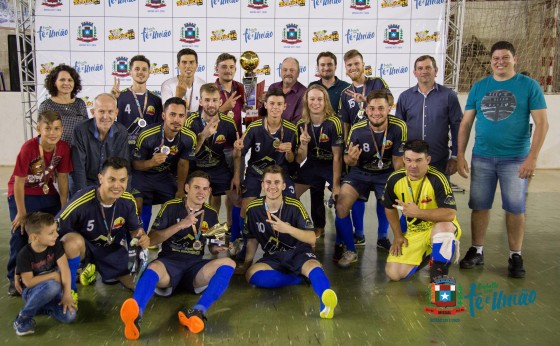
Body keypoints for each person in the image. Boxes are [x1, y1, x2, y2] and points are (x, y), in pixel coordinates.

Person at [457, 41, 549, 278]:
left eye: (505, 57)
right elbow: (466, 123)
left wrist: (532, 158)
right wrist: (460, 155)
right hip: (483, 157)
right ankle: (477, 250)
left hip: (516, 159)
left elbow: (542, 124)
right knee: (479, 206)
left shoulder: (529, 86)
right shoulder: (479, 87)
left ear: (514, 59)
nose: (500, 62)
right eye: (496, 58)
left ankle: (515, 255)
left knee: (515, 208)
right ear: (491, 61)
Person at [119, 171, 235, 340]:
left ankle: (198, 311)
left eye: (205, 188)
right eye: (196, 187)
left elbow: (211, 247)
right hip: (169, 264)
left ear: (209, 191)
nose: (201, 192)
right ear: (187, 188)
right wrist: (181, 225)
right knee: (153, 267)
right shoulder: (170, 206)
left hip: (194, 269)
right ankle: (136, 314)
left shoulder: (210, 213)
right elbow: (151, 240)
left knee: (228, 263)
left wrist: (218, 247)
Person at [239, 165, 338, 319]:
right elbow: (252, 239)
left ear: (284, 185)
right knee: (251, 275)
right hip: (273, 255)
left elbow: (311, 238)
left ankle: (325, 303)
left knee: (313, 266)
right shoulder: (253, 209)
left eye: (277, 182)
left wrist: (288, 229)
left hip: (298, 251)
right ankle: (297, 279)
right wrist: (246, 263)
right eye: (268, 182)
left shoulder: (295, 205)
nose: (272, 187)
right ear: (262, 185)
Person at [57, 157, 150, 301]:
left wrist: (142, 236)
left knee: (139, 285)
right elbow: (54, 228)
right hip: (84, 249)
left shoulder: (128, 200)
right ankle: (71, 288)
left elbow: (135, 230)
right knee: (71, 242)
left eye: (122, 180)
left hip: (110, 250)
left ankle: (92, 270)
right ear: (101, 178)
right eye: (111, 179)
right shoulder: (82, 200)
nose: (117, 185)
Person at [334, 90, 406, 267]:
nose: (376, 112)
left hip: (387, 172)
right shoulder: (358, 129)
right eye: (372, 108)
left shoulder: (399, 127)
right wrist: (350, 159)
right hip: (360, 172)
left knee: (403, 202)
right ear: (366, 110)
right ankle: (351, 249)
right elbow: (347, 159)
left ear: (389, 108)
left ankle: (394, 241)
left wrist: (400, 187)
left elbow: (398, 160)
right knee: (341, 204)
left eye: (381, 108)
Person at [6, 111, 72, 296]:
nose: (53, 133)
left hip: (45, 190)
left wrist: (64, 205)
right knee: (20, 231)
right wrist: (21, 212)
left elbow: (63, 178)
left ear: (62, 130)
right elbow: (18, 181)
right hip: (22, 192)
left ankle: (49, 268)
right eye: (48, 128)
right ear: (39, 129)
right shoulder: (29, 148)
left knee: (55, 227)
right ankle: (14, 276)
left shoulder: (64, 148)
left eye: (57, 128)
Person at [231, 88, 298, 258]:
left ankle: (287, 244)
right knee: (246, 206)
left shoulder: (291, 129)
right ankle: (242, 244)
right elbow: (239, 154)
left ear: (285, 106)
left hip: (279, 175)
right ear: (265, 105)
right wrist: (237, 170)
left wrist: (289, 152)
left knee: (291, 206)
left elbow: (292, 161)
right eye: (272, 103)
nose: (275, 107)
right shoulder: (254, 127)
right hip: (256, 173)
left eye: (279, 104)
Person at [384, 140, 461, 282]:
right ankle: (430, 254)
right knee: (393, 273)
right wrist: (398, 235)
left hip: (439, 226)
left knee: (444, 228)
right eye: (408, 160)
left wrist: (417, 213)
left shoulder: (438, 179)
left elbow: (450, 214)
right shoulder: (395, 179)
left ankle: (438, 276)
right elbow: (389, 208)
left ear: (428, 160)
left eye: (418, 160)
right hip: (415, 232)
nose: (413, 165)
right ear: (403, 160)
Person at [339, 49, 394, 251]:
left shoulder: (376, 82)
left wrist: (368, 100)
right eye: (349, 65)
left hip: (382, 144)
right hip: (358, 145)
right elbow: (345, 122)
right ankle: (359, 234)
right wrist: (347, 147)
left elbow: (391, 101)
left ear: (363, 65)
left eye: (356, 63)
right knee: (358, 194)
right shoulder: (345, 94)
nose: (353, 68)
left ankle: (382, 236)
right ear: (346, 69)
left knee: (384, 195)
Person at [131, 97, 196, 226]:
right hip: (142, 175)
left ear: (185, 118)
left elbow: (183, 164)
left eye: (181, 116)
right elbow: (135, 165)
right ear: (163, 115)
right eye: (172, 114)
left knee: (178, 202)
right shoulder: (147, 134)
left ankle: (167, 239)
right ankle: (136, 241)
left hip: (164, 176)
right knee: (136, 206)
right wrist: (151, 162)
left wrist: (180, 189)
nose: (176, 120)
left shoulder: (189, 137)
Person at [395, 55, 462, 176]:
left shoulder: (449, 96)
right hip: (411, 162)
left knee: (441, 195)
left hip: (439, 160)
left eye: (428, 67)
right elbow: (398, 130)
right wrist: (400, 155)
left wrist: (456, 156)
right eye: (420, 68)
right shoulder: (405, 97)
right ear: (415, 73)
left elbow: (457, 128)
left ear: (435, 71)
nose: (424, 71)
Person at [185, 83, 239, 230]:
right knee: (193, 199)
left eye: (215, 100)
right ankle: (193, 229)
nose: (211, 104)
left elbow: (236, 154)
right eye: (207, 100)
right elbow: (189, 153)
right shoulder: (190, 122)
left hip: (218, 166)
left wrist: (236, 176)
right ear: (201, 102)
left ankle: (233, 235)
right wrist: (203, 135)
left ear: (220, 102)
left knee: (237, 199)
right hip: (196, 167)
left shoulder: (228, 123)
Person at [307, 52, 350, 238]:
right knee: (315, 191)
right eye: (322, 65)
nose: (326, 68)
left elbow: (349, 117)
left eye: (329, 64)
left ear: (335, 66)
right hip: (317, 147)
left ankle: (346, 235)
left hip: (337, 143)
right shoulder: (312, 87)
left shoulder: (346, 88)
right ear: (318, 67)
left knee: (340, 193)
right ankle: (319, 226)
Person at [13, 212, 76, 336]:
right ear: (34, 237)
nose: (57, 235)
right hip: (32, 292)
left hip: (54, 294)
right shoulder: (24, 254)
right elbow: (29, 282)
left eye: (56, 230)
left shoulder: (55, 245)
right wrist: (52, 276)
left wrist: (67, 294)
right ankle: (23, 318)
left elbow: (65, 269)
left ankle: (41, 307)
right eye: (51, 233)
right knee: (53, 285)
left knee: (70, 316)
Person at [295, 85, 343, 238]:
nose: (316, 103)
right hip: (312, 164)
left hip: (331, 164)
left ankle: (343, 236)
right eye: (312, 99)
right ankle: (313, 226)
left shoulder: (334, 122)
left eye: (320, 99)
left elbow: (338, 157)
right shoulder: (301, 124)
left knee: (340, 198)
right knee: (290, 194)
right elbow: (300, 159)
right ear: (306, 101)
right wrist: (303, 144)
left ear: (325, 102)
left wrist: (335, 185)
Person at [71, 93, 129, 195]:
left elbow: (122, 165)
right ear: (93, 112)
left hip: (110, 183)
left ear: (116, 113)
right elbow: (78, 167)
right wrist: (83, 195)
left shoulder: (122, 131)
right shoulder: (80, 130)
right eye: (101, 111)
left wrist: (121, 194)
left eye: (110, 112)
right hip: (86, 182)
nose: (105, 116)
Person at [112, 55, 163, 151]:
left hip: (148, 149)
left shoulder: (156, 99)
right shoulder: (120, 96)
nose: (140, 72)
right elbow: (108, 122)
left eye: (144, 69)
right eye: (137, 69)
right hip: (124, 148)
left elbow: (160, 127)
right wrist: (112, 100)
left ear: (149, 73)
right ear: (130, 72)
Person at [38, 64, 88, 145]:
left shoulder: (80, 104)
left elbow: (86, 130)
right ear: (54, 83)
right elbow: (43, 134)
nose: (66, 83)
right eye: (62, 80)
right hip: (56, 153)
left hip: (78, 152)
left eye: (70, 80)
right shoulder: (46, 105)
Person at [267, 57, 306, 123]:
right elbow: (263, 113)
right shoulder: (272, 87)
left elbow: (297, 122)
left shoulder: (304, 92)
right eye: (285, 70)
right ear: (280, 72)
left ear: (298, 73)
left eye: (292, 70)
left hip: (291, 132)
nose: (288, 73)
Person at [214, 53, 244, 135]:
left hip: (236, 143)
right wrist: (223, 108)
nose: (228, 71)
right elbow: (203, 119)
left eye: (231, 67)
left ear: (235, 69)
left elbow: (250, 110)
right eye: (224, 67)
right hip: (216, 143)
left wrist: (257, 103)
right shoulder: (210, 91)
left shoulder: (241, 88)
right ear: (217, 69)